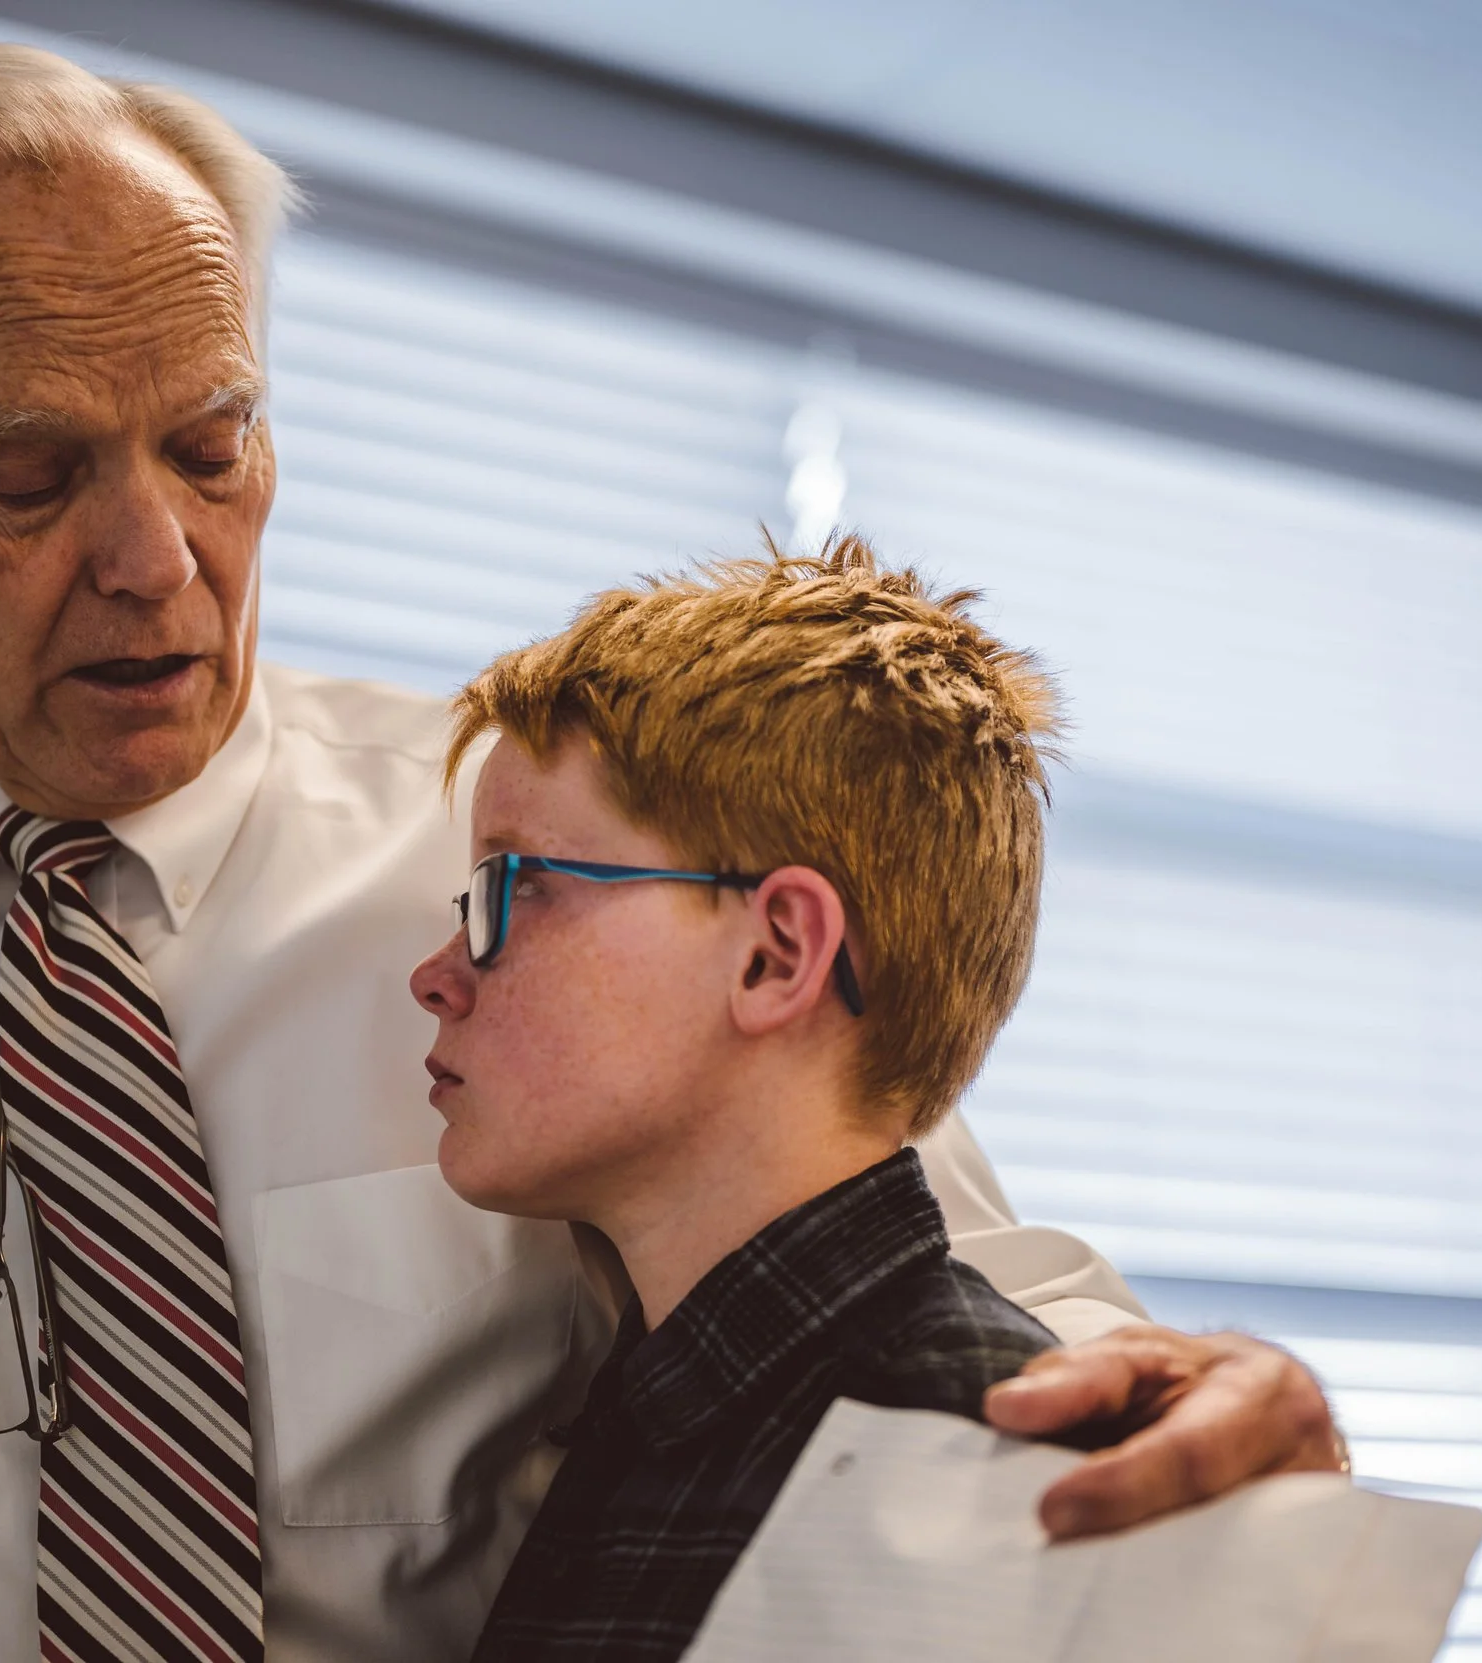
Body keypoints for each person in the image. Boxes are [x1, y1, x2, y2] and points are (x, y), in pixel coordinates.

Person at [0, 42, 1344, 1663]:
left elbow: (884, 1243)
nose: (157, 560)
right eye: (34, 478)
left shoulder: (540, 856)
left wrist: (1191, 1398)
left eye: (214, 444)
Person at [414, 538, 1066, 1660]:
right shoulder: (651, 1414)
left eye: (510, 887)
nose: (437, 972)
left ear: (774, 954)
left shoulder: (980, 1458)